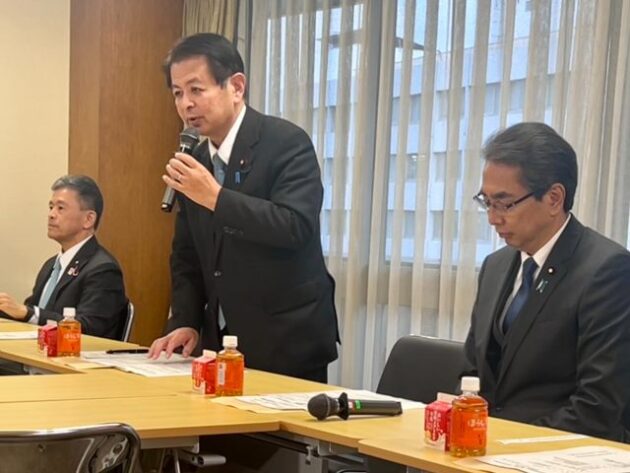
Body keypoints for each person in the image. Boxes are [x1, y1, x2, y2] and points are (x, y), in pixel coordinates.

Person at [148, 33, 339, 382]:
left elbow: (294, 226)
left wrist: (215, 197)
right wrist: (186, 321)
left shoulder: (287, 142)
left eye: (196, 89)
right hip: (220, 342)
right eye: (177, 93)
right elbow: (187, 256)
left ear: (236, 87)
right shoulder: (197, 159)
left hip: (286, 339)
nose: (186, 104)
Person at [463, 122, 630, 441]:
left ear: (554, 198)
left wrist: (508, 444)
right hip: (486, 449)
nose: (493, 218)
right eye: (487, 202)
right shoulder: (495, 266)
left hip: (562, 452)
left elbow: (598, 406)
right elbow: (473, 373)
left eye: (505, 203)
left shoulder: (607, 270)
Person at [0, 175, 127, 339]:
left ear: (88, 219)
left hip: (75, 354)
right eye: (51, 207)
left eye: (60, 208)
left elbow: (89, 328)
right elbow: (29, 316)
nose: (51, 214)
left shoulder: (103, 269)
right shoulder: (51, 265)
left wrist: (28, 313)